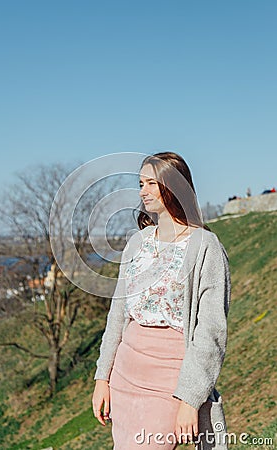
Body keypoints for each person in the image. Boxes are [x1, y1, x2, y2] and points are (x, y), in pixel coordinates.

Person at [92, 152, 231, 450]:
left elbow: (211, 332)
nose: (143, 191)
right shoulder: (137, 243)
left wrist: (190, 399)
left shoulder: (206, 248)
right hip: (125, 376)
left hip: (170, 380)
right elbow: (117, 316)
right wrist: (102, 378)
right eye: (141, 183)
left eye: (152, 183)